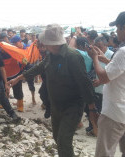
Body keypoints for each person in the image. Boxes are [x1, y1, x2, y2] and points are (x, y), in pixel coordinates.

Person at [8, 24, 98, 157]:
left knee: (63, 141)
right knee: (57, 138)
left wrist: (92, 109)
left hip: (72, 106)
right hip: (56, 105)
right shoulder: (51, 54)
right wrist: (18, 78)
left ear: (51, 43)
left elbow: (85, 83)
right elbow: (39, 67)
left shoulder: (72, 57)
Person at [86, 11, 125, 157]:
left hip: (114, 114)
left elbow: (104, 77)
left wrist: (95, 58)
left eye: (118, 27)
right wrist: (105, 60)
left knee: (104, 153)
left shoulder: (122, 52)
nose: (116, 31)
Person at [0, 33, 24, 112]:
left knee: (18, 90)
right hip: (5, 75)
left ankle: (20, 105)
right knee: (4, 90)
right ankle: (5, 104)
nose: (3, 48)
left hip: (16, 74)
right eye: (1, 47)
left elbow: (22, 58)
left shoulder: (13, 51)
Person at [11, 35, 37, 105]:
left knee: (30, 83)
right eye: (13, 44)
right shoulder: (15, 49)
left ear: (20, 42)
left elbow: (31, 59)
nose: (14, 45)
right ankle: (19, 100)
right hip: (20, 68)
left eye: (15, 43)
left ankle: (33, 98)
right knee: (18, 84)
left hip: (28, 67)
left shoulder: (27, 48)